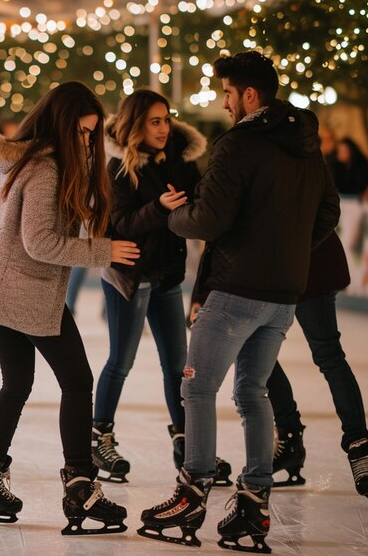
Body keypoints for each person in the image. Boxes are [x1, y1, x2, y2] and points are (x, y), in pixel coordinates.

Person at [138, 51, 340, 551]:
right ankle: (254, 504)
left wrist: (173, 220)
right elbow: (329, 212)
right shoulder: (306, 144)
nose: (223, 103)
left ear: (249, 95)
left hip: (234, 291)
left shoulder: (240, 145)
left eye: (227, 93)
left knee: (196, 388)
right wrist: (288, 255)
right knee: (253, 393)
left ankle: (192, 492)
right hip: (282, 296)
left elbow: (207, 220)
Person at [0, 81, 139, 535]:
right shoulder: (45, 168)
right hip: (24, 288)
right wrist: (103, 251)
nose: (87, 141)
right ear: (60, 123)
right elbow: (40, 243)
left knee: (16, 383)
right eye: (82, 132)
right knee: (77, 381)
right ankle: (80, 485)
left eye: (92, 134)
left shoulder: (15, 159)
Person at [90, 89, 231, 486]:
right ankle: (99, 437)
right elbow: (121, 223)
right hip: (129, 275)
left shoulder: (180, 161)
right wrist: (162, 208)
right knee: (122, 360)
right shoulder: (118, 166)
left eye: (167, 119)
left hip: (167, 276)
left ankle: (186, 441)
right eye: (155, 121)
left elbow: (200, 201)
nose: (164, 127)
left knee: (178, 365)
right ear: (137, 124)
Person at [266, 232, 368, 507]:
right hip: (271, 267)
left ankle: (359, 447)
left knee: (328, 355)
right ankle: (290, 437)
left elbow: (328, 209)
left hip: (306, 263)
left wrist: (297, 237)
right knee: (256, 354)